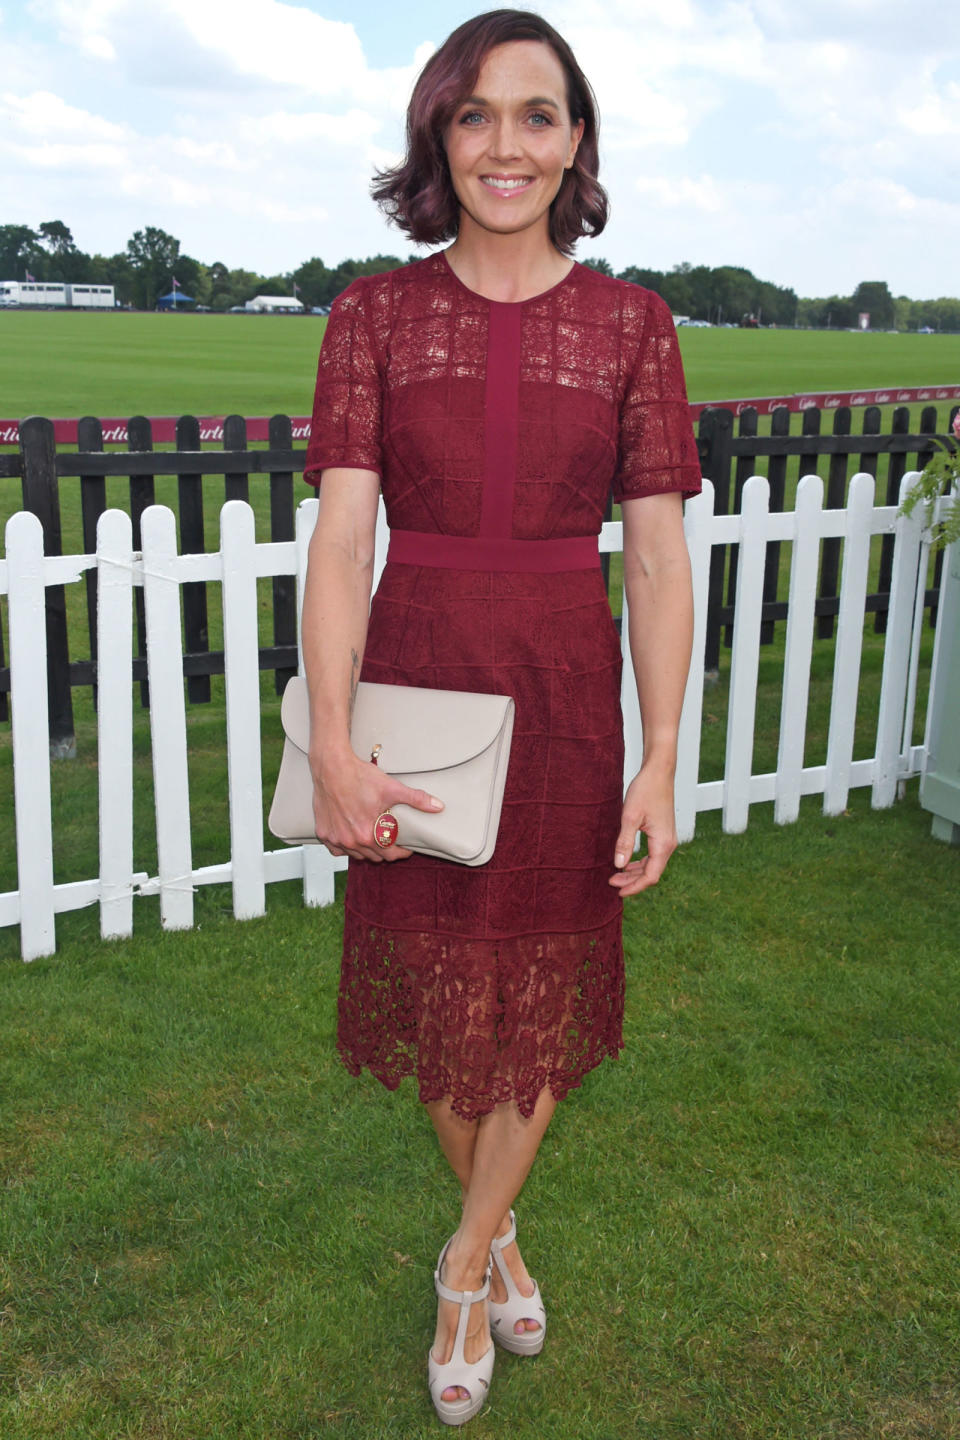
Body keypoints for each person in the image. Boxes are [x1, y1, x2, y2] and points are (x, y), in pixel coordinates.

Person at [299, 9, 700, 1426]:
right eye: (476, 116)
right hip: (413, 682)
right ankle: (501, 1223)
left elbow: (654, 557)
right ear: (438, 139)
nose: (507, 145)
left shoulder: (635, 328)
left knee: (534, 993)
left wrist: (660, 755)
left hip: (566, 701)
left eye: (537, 115)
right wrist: (333, 741)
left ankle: (466, 1258)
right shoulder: (374, 317)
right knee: (430, 992)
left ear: (578, 139)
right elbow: (343, 542)